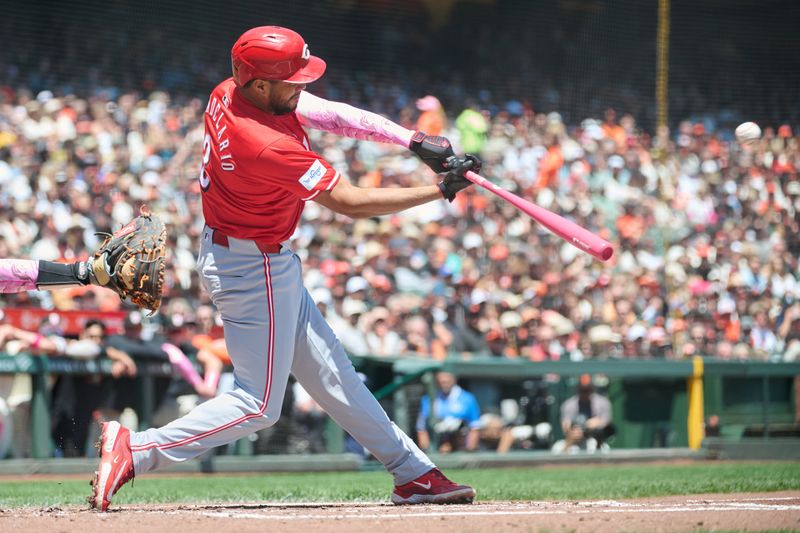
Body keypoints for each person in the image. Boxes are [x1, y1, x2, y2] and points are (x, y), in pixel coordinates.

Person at [87, 26, 479, 510]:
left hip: (249, 254)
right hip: (252, 266)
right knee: (257, 404)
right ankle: (139, 448)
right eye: (290, 80)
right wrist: (437, 190)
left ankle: (413, 474)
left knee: (335, 375)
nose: (301, 88)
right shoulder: (264, 142)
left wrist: (411, 138)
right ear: (256, 82)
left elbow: (329, 114)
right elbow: (350, 202)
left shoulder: (230, 90)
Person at [416, 371, 481, 454]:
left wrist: (470, 450)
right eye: (441, 382)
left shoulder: (467, 398)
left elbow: (475, 426)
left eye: (447, 381)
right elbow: (421, 427)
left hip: (461, 439)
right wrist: (426, 450)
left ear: (454, 381)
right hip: (436, 439)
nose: (444, 384)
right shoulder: (428, 399)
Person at [551, 375, 614, 454]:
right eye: (582, 390)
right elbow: (565, 426)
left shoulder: (602, 402)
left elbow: (607, 422)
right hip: (573, 441)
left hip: (593, 439)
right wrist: (575, 431)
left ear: (592, 388)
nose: (585, 393)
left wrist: (593, 424)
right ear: (578, 389)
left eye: (587, 390)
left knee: (603, 449)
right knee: (558, 448)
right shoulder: (569, 404)